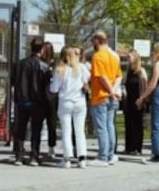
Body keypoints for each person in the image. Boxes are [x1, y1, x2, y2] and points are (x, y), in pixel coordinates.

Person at [11, 36, 50, 166]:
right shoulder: (44, 66)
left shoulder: (19, 64)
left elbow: (13, 81)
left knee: (20, 128)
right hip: (38, 101)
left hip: (22, 100)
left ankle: (19, 156)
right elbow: (47, 85)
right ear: (42, 48)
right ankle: (34, 155)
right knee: (36, 130)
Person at [50, 46, 90, 168]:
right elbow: (87, 79)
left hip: (65, 102)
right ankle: (82, 158)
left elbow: (54, 89)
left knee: (66, 130)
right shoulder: (81, 68)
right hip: (79, 102)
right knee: (80, 131)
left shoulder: (60, 69)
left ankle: (67, 159)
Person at [89, 31, 122, 167]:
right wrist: (114, 91)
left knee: (102, 128)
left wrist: (110, 91)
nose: (92, 44)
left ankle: (103, 157)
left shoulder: (97, 57)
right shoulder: (114, 57)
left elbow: (102, 77)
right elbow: (119, 76)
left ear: (97, 40)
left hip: (101, 96)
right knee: (109, 127)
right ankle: (110, 155)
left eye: (93, 41)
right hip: (111, 97)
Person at [136, 42, 159, 163]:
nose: (152, 53)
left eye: (154, 51)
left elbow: (153, 84)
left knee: (156, 125)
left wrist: (142, 97)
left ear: (158, 52)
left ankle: (157, 153)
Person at [122, 49, 147, 155]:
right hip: (129, 101)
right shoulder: (128, 72)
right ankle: (129, 147)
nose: (128, 58)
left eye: (130, 57)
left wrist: (142, 99)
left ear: (136, 58)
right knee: (128, 124)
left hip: (137, 100)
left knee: (137, 124)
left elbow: (144, 86)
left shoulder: (141, 71)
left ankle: (137, 148)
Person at [40, 42, 58, 159]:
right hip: (47, 96)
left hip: (49, 97)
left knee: (51, 123)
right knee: (45, 123)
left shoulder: (53, 64)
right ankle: (49, 147)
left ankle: (51, 147)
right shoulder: (40, 63)